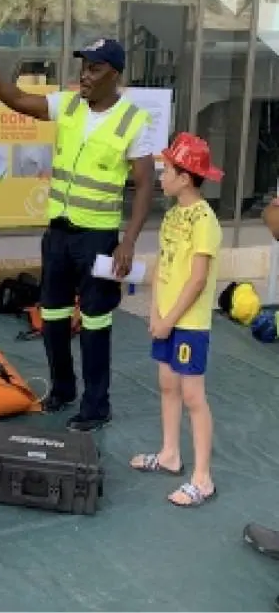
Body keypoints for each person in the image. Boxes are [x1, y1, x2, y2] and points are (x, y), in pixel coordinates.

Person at [0, 38, 155, 432]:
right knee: (53, 316)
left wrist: (129, 240)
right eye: (83, 66)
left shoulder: (133, 121)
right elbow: (17, 99)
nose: (85, 75)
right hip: (59, 235)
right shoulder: (69, 105)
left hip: (98, 239)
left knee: (95, 323)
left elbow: (146, 184)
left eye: (95, 68)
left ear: (114, 75)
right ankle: (63, 389)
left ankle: (96, 406)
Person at [129, 132, 222, 507]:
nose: (161, 175)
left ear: (185, 178)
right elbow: (163, 268)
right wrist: (155, 312)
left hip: (189, 324)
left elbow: (197, 280)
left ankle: (203, 478)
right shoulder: (171, 216)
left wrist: (170, 320)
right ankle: (170, 454)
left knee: (193, 395)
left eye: (167, 170)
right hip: (166, 318)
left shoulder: (205, 220)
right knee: (167, 384)